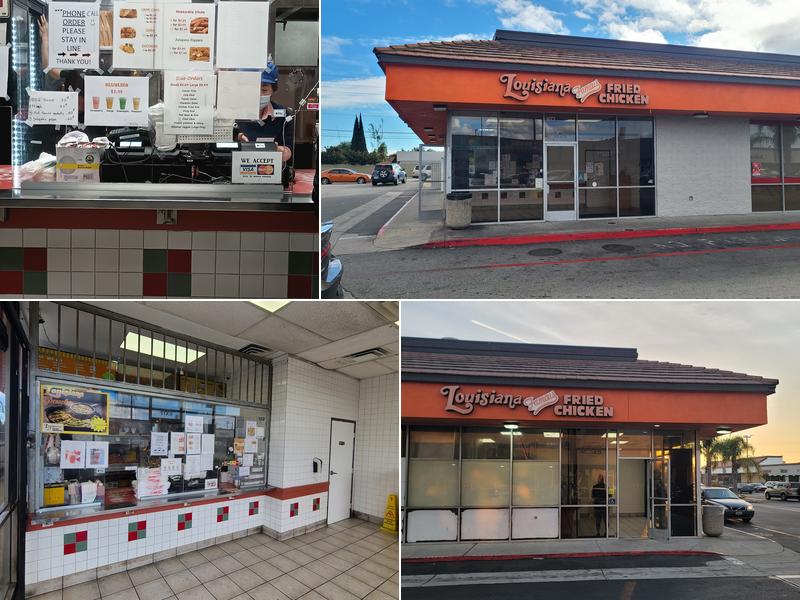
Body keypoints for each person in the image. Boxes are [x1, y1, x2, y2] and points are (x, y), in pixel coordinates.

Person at [234, 62, 293, 165]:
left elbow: (289, 151)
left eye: (264, 89)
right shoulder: (231, 112)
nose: (258, 94)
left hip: (269, 170)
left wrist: (276, 150)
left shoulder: (283, 115)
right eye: (253, 88)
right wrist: (236, 140)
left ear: (273, 90)